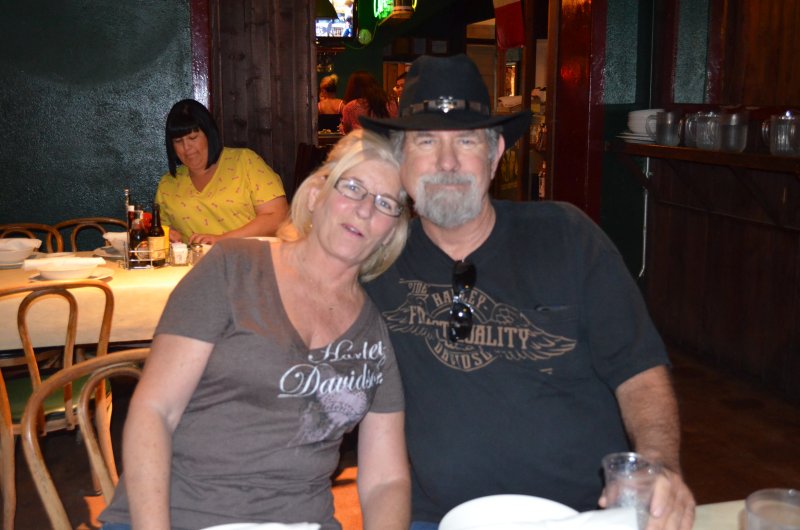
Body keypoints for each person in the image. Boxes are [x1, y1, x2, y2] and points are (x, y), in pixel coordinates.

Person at [359, 54, 696, 530]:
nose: (447, 162)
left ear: (495, 153)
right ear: (400, 159)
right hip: (438, 519)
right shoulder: (379, 265)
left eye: (467, 140)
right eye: (426, 141)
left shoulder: (567, 236)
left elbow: (639, 372)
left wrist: (659, 464)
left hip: (583, 516)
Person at [99, 129, 412, 530]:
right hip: (177, 515)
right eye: (353, 188)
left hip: (299, 522)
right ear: (315, 196)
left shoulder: (375, 333)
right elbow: (154, 412)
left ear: (392, 232)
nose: (366, 210)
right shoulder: (233, 268)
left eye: (386, 203)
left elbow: (387, 479)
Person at [155, 99, 289, 245]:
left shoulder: (245, 162)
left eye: (193, 138)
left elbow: (278, 216)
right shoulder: (168, 183)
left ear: (209, 134)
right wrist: (167, 235)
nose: (186, 148)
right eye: (178, 141)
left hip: (250, 256)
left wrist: (222, 239)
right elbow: (162, 229)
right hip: (196, 259)